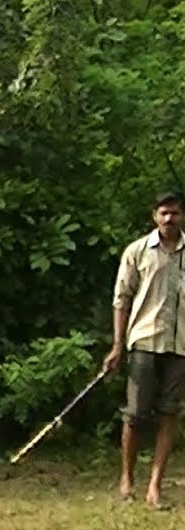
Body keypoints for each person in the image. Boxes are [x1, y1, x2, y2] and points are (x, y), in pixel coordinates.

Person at [104, 189, 185, 508]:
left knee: (169, 413)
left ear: (182, 215)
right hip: (144, 342)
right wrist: (117, 344)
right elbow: (121, 299)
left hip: (180, 346)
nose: (169, 218)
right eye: (163, 213)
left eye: (175, 212)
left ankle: (155, 485)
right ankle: (127, 478)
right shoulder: (137, 251)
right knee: (135, 414)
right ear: (154, 216)